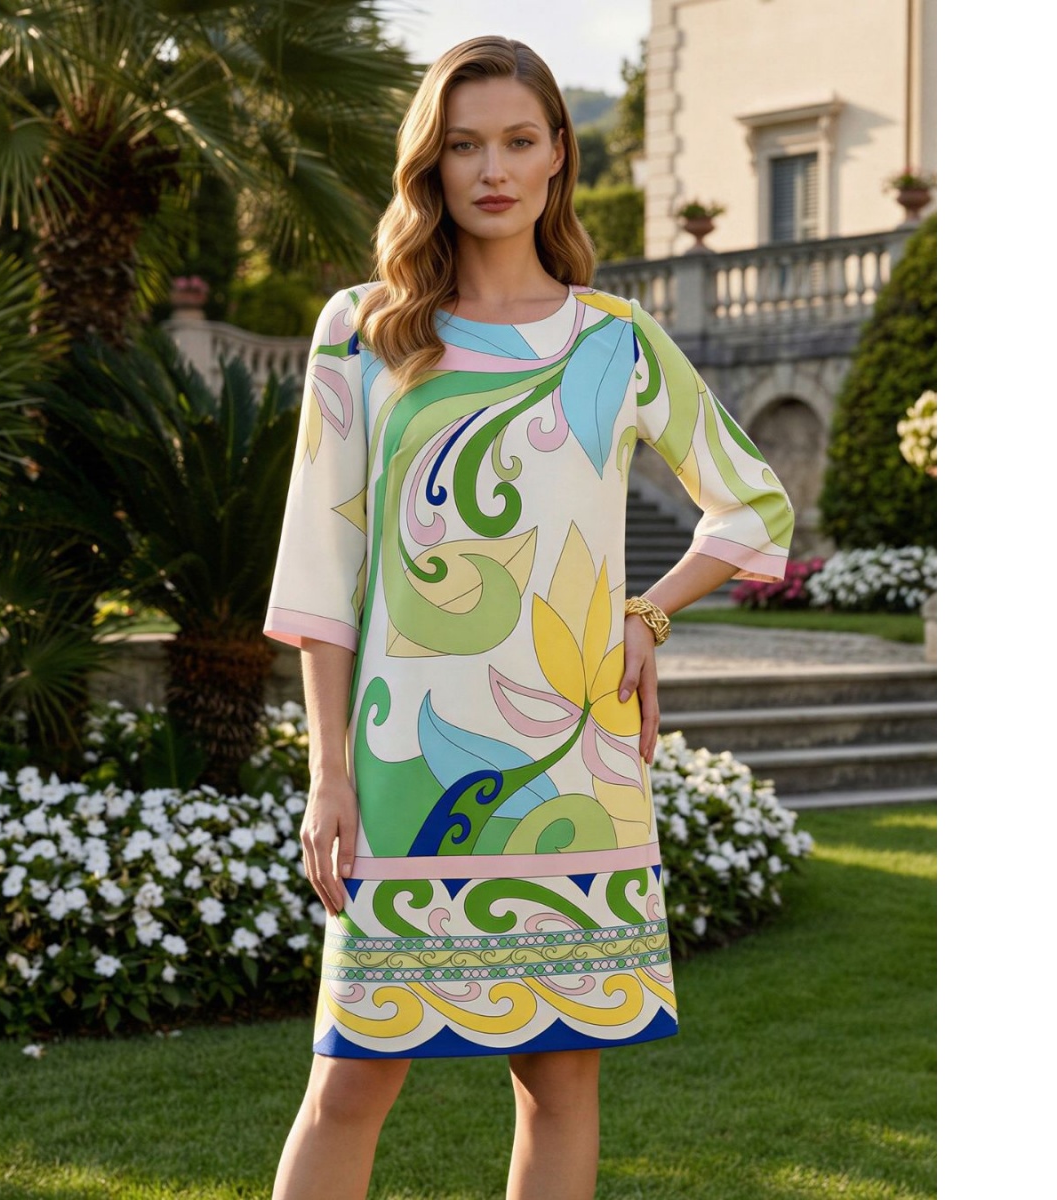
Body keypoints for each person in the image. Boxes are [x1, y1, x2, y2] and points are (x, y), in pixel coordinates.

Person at [262, 35, 793, 1200]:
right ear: (432, 164)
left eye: (516, 140)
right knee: (347, 1085)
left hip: (578, 779)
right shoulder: (363, 330)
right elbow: (321, 570)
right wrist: (328, 774)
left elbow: (754, 505)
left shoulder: (615, 341)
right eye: (464, 145)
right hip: (403, 778)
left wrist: (649, 615)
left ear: (559, 153)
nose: (492, 169)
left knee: (558, 1089)